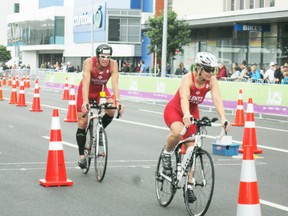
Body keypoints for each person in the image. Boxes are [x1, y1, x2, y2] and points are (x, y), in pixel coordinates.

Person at [162, 52, 230, 203]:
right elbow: (184, 97)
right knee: (179, 133)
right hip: (176, 109)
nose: (211, 73)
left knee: (192, 146)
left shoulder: (211, 80)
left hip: (193, 112)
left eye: (213, 70)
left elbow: (217, 99)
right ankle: (167, 153)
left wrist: (223, 118)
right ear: (198, 68)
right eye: (208, 69)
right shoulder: (187, 78)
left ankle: (190, 185)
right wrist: (185, 113)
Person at [76, 44, 124, 168]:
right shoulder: (88, 63)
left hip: (101, 92)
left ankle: (99, 132)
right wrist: (85, 101)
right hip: (86, 91)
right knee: (82, 122)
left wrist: (117, 101)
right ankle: (81, 156)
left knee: (111, 111)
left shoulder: (113, 64)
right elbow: (86, 83)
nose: (105, 59)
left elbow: (115, 84)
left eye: (108, 57)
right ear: (97, 56)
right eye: (102, 56)